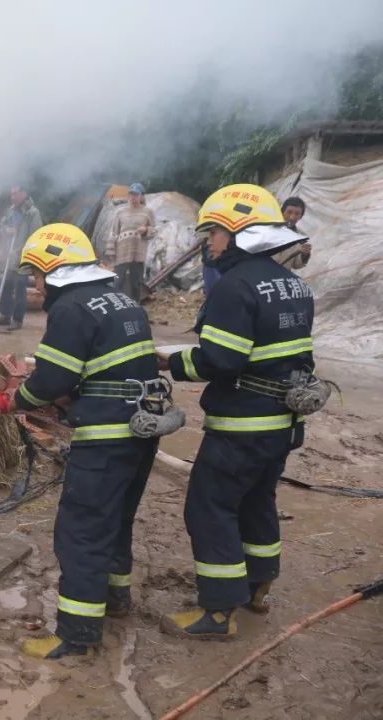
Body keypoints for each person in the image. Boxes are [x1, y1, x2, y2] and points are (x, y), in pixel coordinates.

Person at [0, 223, 163, 660]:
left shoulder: (71, 308)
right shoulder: (122, 299)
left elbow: (53, 380)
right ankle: (115, 600)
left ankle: (76, 636)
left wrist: (17, 399)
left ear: (53, 269)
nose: (34, 285)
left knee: (81, 531)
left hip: (106, 437)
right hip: (142, 430)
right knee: (116, 519)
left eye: (35, 274)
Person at [158, 184, 314, 639]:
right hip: (283, 424)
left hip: (241, 425)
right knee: (257, 500)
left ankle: (218, 612)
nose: (209, 242)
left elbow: (221, 361)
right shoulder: (293, 285)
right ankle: (258, 586)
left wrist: (172, 361)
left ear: (239, 233)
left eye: (215, 233)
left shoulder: (235, 287)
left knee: (210, 508)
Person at [0, 187, 43, 329]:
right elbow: (2, 225)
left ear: (24, 194)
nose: (12, 197)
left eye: (15, 194)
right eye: (11, 194)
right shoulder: (10, 210)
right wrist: (6, 230)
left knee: (20, 288)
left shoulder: (32, 213)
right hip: (9, 256)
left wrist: (19, 251)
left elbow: (35, 236)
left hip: (22, 258)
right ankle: (4, 315)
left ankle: (17, 319)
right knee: (6, 286)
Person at [105, 183, 156, 302]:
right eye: (131, 194)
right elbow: (114, 232)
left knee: (136, 283)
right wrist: (111, 251)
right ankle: (115, 305)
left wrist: (145, 230)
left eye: (136, 194)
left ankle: (135, 306)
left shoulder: (148, 212)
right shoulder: (120, 212)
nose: (133, 197)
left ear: (142, 196)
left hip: (138, 254)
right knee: (117, 281)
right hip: (121, 253)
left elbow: (154, 230)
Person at [274, 197, 312, 269]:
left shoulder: (301, 237)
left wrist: (304, 255)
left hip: (279, 276)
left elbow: (296, 265)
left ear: (301, 217)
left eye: (297, 214)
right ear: (282, 212)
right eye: (289, 212)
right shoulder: (268, 228)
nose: (292, 217)